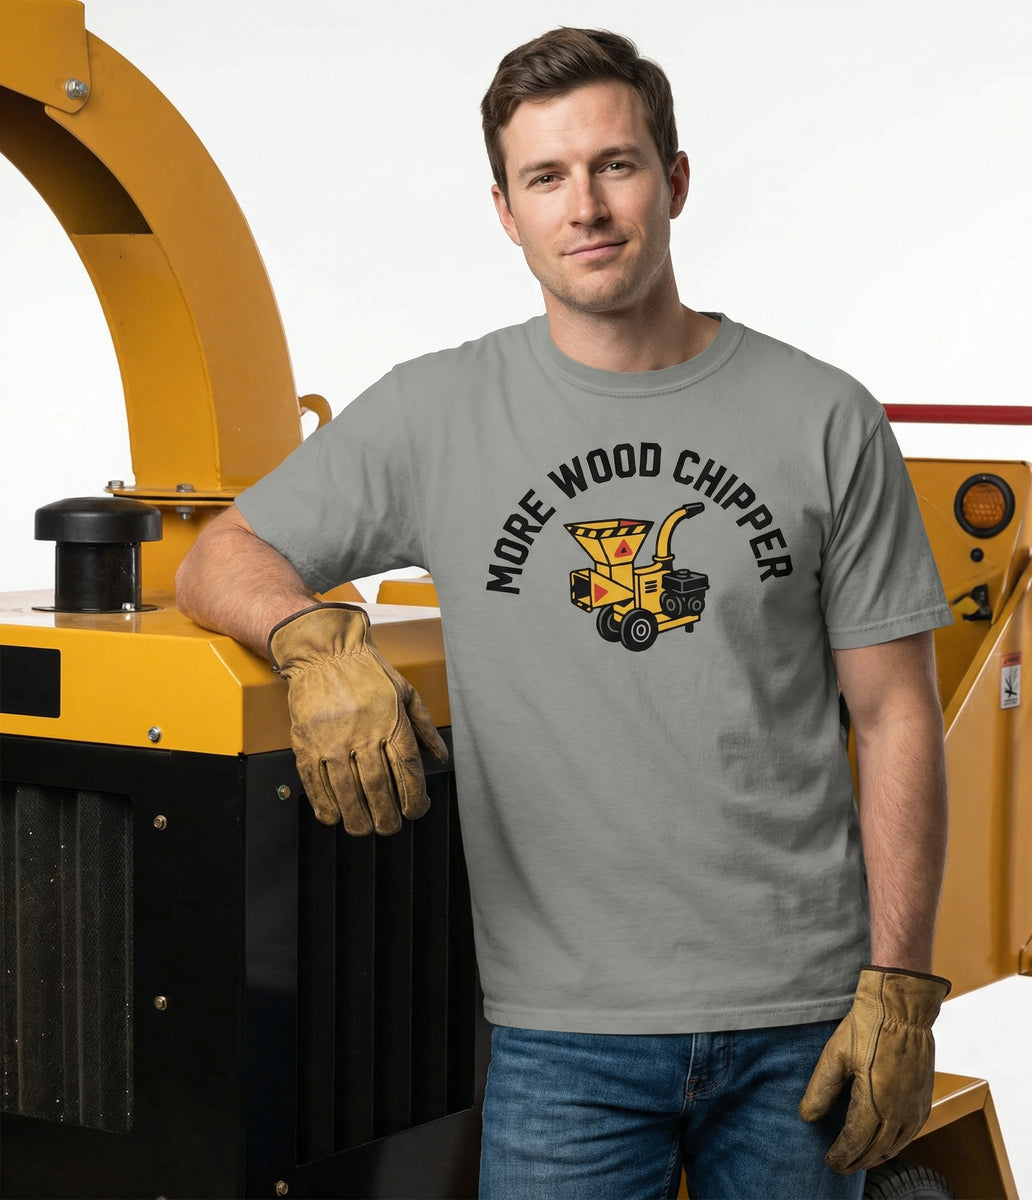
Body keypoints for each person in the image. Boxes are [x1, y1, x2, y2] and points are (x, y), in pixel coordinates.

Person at [176, 27, 953, 1200]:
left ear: (675, 179)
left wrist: (902, 985)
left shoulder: (824, 418)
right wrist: (310, 636)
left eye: (616, 165)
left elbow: (898, 715)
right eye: (546, 178)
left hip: (804, 1020)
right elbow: (221, 555)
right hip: (560, 1037)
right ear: (505, 210)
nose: (584, 206)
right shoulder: (439, 412)